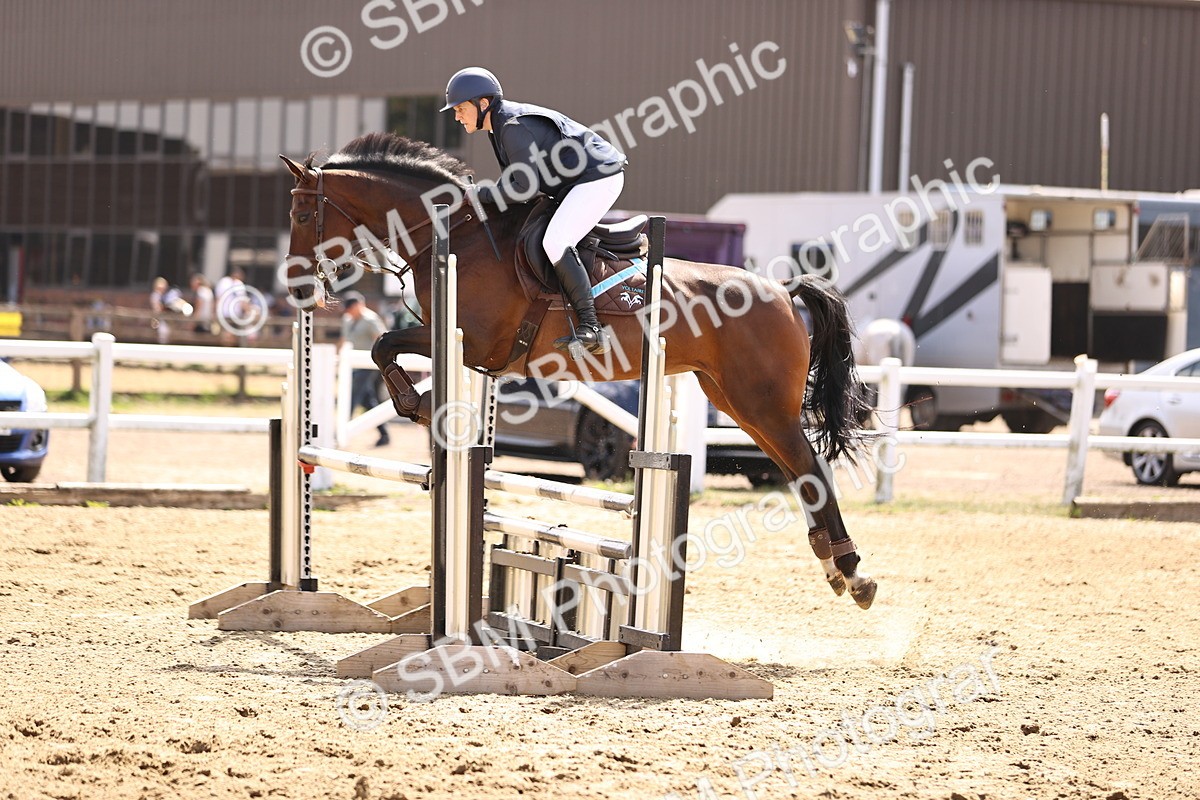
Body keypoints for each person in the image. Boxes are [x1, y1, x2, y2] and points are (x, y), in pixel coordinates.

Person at [441, 67, 627, 355]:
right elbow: (513, 182)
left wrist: (480, 193)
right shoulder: (499, 126)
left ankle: (592, 327)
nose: (457, 116)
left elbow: (524, 188)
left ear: (483, 103)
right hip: (574, 183)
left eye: (460, 109)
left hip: (599, 178)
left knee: (555, 241)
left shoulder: (512, 126)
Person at [338, 292, 391, 447]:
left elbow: (381, 339)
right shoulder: (347, 320)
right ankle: (384, 433)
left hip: (368, 365)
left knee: (352, 395)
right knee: (368, 401)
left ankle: (341, 432)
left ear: (358, 305)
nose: (348, 312)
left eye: (350, 308)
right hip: (353, 363)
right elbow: (344, 339)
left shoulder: (370, 319)